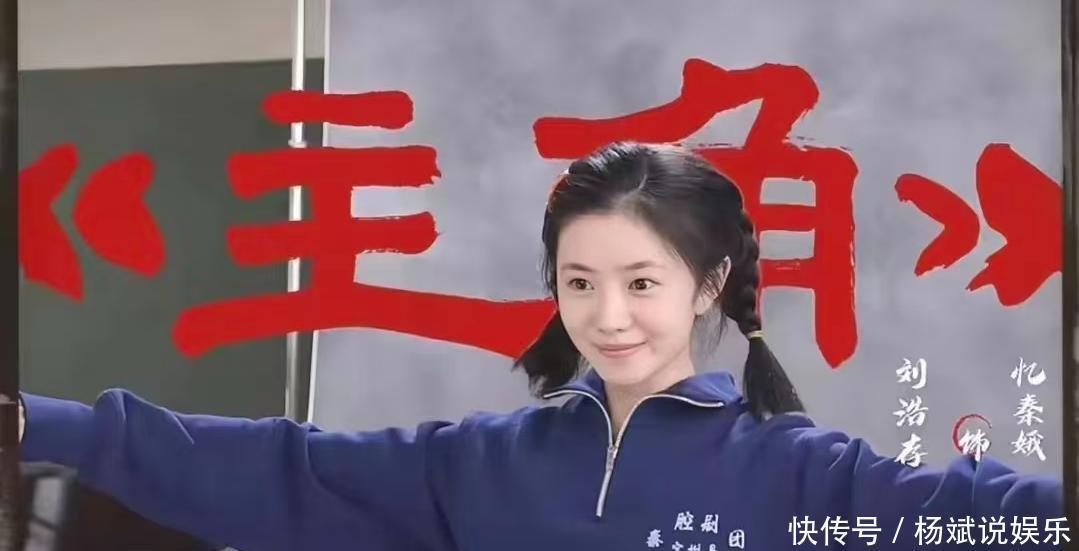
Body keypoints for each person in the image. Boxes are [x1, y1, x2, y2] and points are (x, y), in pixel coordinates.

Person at [17, 142, 1064, 550]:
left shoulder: (799, 475)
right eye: (578, 282)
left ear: (707, 285)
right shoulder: (479, 462)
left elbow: (985, 515)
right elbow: (284, 470)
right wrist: (39, 423)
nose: (607, 316)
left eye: (641, 282)